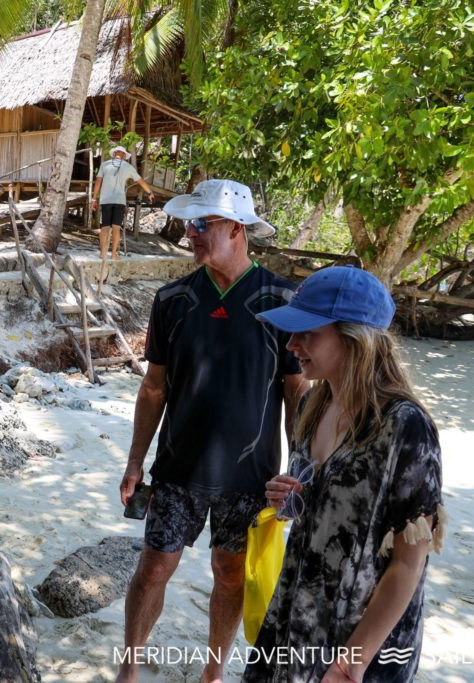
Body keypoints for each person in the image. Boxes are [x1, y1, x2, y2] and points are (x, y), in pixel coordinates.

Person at [117, 179, 306, 683]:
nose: (189, 233)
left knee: (229, 573)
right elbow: (153, 388)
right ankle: (130, 666)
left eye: (201, 223)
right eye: (188, 223)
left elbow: (297, 391)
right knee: (154, 567)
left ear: (237, 229)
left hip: (251, 478)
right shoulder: (173, 299)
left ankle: (213, 672)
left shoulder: (281, 300)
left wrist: (299, 469)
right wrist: (136, 460)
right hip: (177, 468)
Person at [243, 266, 446, 683]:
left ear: (356, 338)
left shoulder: (404, 426)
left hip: (359, 645)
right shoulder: (312, 405)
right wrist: (291, 498)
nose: (292, 344)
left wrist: (349, 665)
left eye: (308, 333)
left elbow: (409, 564)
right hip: (296, 615)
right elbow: (319, 509)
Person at [91, 146, 155, 260]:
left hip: (106, 200)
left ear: (114, 153)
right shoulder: (128, 167)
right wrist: (150, 192)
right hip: (119, 200)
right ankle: (114, 254)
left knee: (105, 227)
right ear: (124, 155)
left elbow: (98, 182)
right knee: (116, 227)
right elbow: (140, 181)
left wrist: (94, 199)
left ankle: (103, 253)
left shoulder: (104, 164)